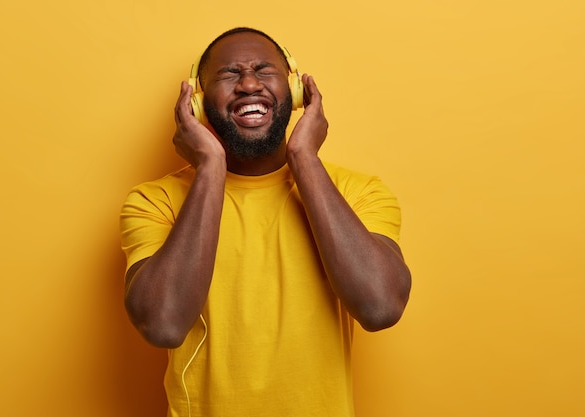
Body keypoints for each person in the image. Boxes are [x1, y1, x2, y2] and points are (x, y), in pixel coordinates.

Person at [120, 27, 411, 417]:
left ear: (294, 91)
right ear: (198, 102)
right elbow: (163, 326)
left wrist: (304, 157)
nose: (249, 84)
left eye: (262, 70)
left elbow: (380, 308)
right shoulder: (154, 202)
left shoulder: (360, 193)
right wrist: (210, 167)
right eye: (229, 74)